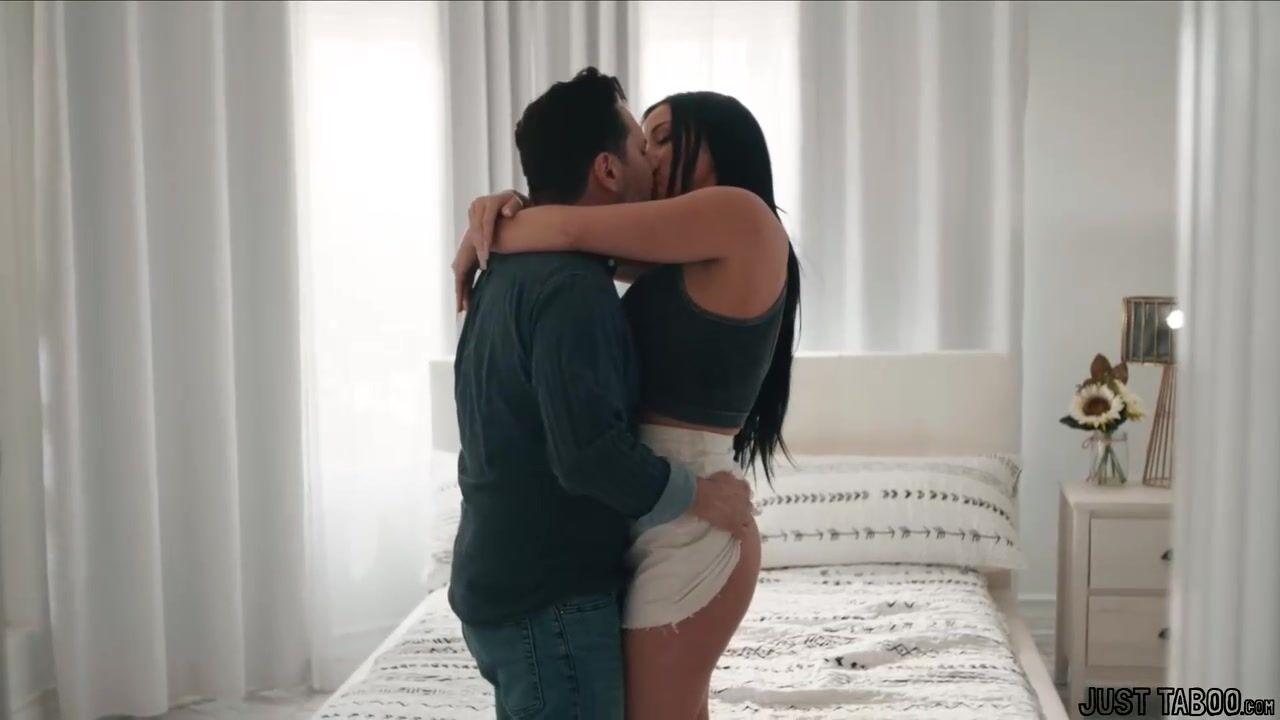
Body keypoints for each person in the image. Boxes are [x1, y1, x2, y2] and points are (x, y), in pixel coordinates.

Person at [455, 72, 801, 719]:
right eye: (645, 141)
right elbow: (572, 230)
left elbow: (565, 232)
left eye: (665, 137)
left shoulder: (739, 215)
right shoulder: (672, 249)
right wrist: (503, 209)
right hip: (647, 505)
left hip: (694, 514)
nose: (653, 154)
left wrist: (491, 227)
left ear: (719, 143)